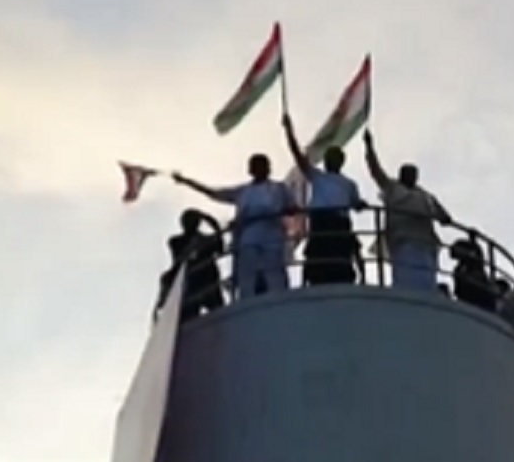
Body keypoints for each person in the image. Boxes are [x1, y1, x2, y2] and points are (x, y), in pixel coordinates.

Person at [173, 154, 296, 299]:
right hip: (248, 236)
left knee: (274, 271)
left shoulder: (279, 188)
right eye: (255, 166)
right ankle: (246, 300)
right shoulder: (243, 191)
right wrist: (187, 182)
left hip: (271, 233)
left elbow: (292, 208)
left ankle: (280, 298)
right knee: (247, 274)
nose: (259, 169)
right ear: (250, 170)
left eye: (262, 165)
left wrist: (280, 212)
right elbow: (214, 193)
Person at [282, 114, 367, 286]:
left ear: (341, 162)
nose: (331, 161)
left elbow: (356, 204)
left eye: (334, 158)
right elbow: (298, 156)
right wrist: (288, 130)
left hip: (340, 222)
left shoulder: (349, 184)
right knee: (315, 255)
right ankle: (306, 283)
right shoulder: (317, 176)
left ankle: (360, 278)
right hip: (321, 221)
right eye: (329, 158)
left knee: (345, 253)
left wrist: (360, 204)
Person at [363, 129, 452, 292]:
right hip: (403, 241)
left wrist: (442, 217)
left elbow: (445, 218)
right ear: (401, 175)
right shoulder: (392, 188)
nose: (411, 176)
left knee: (427, 280)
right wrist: (369, 146)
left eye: (413, 174)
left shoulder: (425, 196)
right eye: (408, 173)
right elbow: (375, 170)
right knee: (406, 278)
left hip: (426, 243)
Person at [155, 209, 226, 323]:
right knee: (189, 317)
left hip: (207, 280)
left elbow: (220, 249)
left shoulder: (207, 240)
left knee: (219, 315)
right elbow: (178, 259)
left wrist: (212, 222)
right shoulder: (176, 241)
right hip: (192, 283)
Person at [448, 235, 501, 313]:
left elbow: (477, 252)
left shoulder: (474, 265)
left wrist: (472, 239)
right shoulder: (460, 268)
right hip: (465, 297)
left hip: (478, 299)